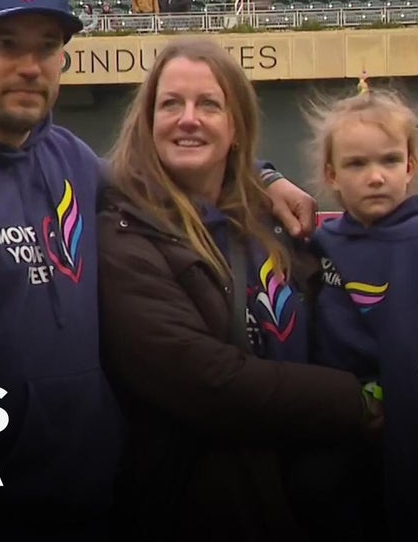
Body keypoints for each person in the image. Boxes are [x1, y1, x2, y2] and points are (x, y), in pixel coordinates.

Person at [0, 0, 321, 540]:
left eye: (48, 47)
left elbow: (163, 180)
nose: (30, 65)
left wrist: (262, 179)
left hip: (97, 504)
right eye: (5, 44)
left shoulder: (63, 155)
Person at [96, 36, 381, 540]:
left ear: (235, 127)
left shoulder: (274, 225)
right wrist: (357, 402)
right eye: (171, 104)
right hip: (199, 507)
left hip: (306, 500)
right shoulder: (122, 234)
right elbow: (207, 381)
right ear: (147, 121)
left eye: (209, 104)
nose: (189, 118)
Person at [304, 81, 418, 541]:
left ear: (410, 167)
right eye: (357, 164)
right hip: (334, 454)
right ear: (331, 174)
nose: (375, 176)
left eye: (388, 160)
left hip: (403, 454)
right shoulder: (319, 246)